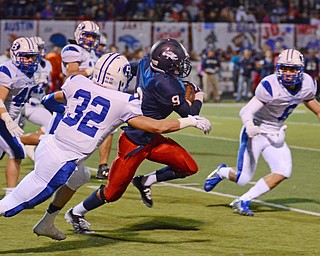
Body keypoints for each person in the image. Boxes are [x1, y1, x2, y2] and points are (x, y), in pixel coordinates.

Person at [8, 52, 211, 241]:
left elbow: (50, 100)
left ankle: (48, 222)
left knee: (81, 176)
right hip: (111, 146)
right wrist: (194, 113)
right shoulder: (128, 99)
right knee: (23, 201)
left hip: (62, 143)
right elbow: (162, 124)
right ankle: (73, 213)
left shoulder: (81, 81)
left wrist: (67, 113)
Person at [61, 38, 207, 236]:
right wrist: (199, 96)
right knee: (112, 193)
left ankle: (145, 181)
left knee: (189, 167)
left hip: (152, 139)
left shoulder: (147, 62)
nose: (181, 67)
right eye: (178, 63)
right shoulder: (168, 85)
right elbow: (190, 114)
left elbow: (129, 69)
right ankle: (75, 213)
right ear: (166, 63)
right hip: (134, 142)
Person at [204, 49, 320, 216]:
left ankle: (243, 200)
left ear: (300, 70)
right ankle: (222, 171)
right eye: (284, 68)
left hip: (275, 133)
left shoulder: (308, 84)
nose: (288, 73)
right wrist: (250, 126)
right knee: (243, 178)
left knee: (283, 171)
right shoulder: (270, 85)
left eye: (292, 69)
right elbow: (246, 111)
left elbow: (316, 109)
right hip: (256, 131)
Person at [0, 37, 40, 196]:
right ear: (15, 54)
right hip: (3, 118)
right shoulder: (7, 71)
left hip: (12, 117)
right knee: (17, 151)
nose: (30, 60)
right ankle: (11, 195)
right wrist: (8, 120)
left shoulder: (32, 73)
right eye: (26, 56)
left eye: (33, 56)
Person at [18, 36, 53, 161]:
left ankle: (28, 142)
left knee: (51, 123)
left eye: (41, 48)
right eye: (38, 48)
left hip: (36, 104)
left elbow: (47, 87)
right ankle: (24, 141)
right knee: (11, 139)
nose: (40, 51)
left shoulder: (47, 64)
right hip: (23, 103)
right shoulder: (26, 65)